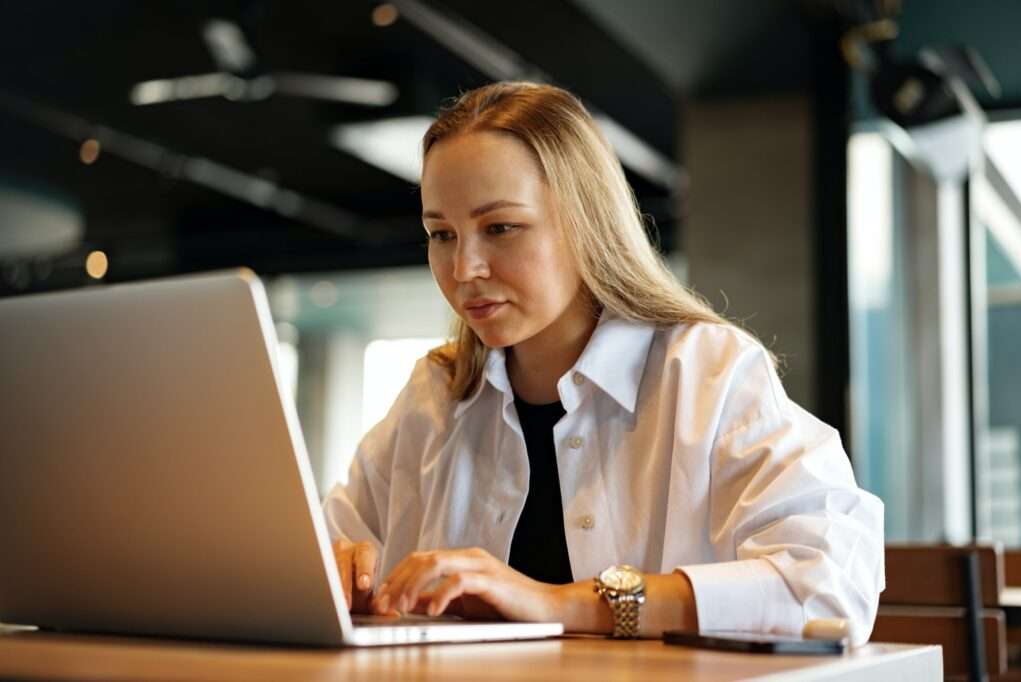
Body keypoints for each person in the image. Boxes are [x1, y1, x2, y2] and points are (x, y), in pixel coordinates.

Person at [322, 81, 884, 643]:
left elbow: (828, 585)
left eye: (500, 228)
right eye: (441, 234)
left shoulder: (705, 372)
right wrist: (341, 570)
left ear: (586, 221)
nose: (464, 267)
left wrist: (556, 603)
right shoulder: (438, 392)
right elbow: (327, 546)